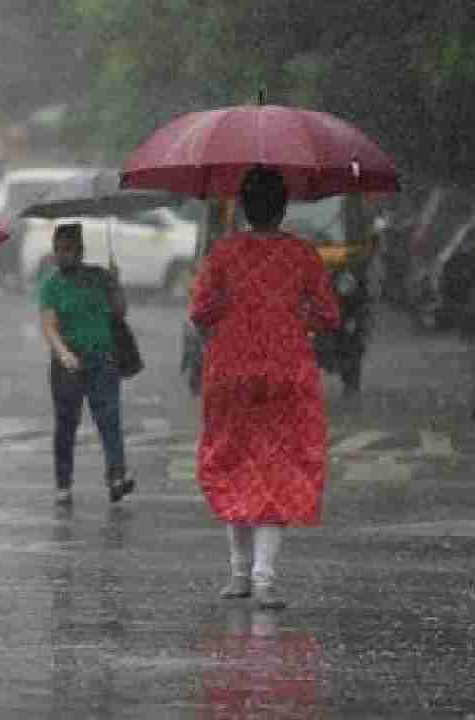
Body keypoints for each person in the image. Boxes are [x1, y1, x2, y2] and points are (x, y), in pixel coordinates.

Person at [188, 166, 341, 610]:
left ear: (243, 208)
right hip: (287, 369)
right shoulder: (302, 255)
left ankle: (238, 574)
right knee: (278, 466)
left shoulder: (222, 253)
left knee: (235, 461)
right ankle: (264, 578)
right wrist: (294, 320)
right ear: (283, 207)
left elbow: (200, 312)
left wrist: (233, 314)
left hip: (230, 370)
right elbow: (329, 315)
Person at [38, 222, 135, 505]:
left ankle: (117, 476)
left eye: (68, 249)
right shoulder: (52, 285)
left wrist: (117, 284)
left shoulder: (100, 277)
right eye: (58, 249)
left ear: (80, 251)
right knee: (66, 424)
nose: (62, 255)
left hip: (102, 360)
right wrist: (63, 353)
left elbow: (120, 312)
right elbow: (49, 325)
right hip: (67, 365)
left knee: (109, 420)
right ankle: (63, 483)